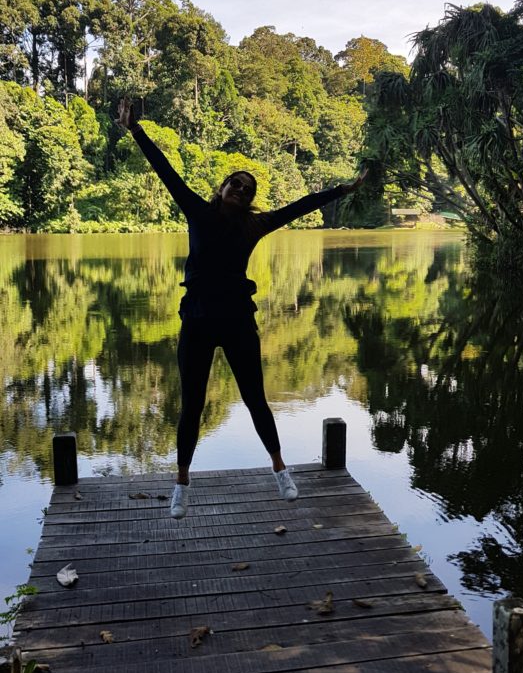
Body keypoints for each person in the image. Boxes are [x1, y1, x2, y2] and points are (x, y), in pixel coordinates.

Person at [117, 98, 367, 518]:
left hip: (236, 320)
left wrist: (342, 190)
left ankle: (280, 469)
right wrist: (135, 130)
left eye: (248, 188)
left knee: (255, 398)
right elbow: (165, 172)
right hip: (196, 319)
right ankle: (181, 482)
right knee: (192, 404)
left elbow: (300, 206)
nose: (241, 189)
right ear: (222, 188)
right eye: (236, 183)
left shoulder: (255, 224)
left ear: (250, 199)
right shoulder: (197, 211)